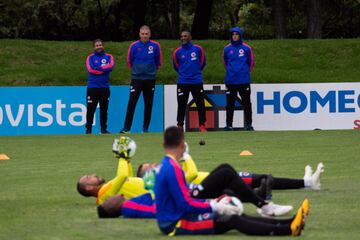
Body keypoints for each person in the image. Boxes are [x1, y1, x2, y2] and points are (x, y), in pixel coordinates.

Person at [153, 126, 308, 236]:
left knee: (236, 215)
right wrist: (214, 206)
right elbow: (184, 204)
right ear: (182, 145)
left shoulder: (167, 165)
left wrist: (214, 204)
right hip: (175, 224)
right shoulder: (172, 169)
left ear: (163, 145)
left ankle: (290, 223)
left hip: (177, 216)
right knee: (232, 219)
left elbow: (181, 200)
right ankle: (288, 229)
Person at [76, 137, 148, 204]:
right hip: (156, 193)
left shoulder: (107, 189)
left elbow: (127, 179)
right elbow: (122, 176)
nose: (94, 175)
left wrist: (126, 160)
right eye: (88, 177)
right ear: (89, 188)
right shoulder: (103, 195)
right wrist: (122, 157)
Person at [120, 25, 162, 133]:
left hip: (150, 79)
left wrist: (151, 71)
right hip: (136, 79)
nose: (144, 36)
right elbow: (129, 61)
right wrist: (136, 71)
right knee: (132, 103)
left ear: (149, 34)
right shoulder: (134, 46)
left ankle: (145, 128)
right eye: (142, 34)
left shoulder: (155, 46)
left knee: (148, 104)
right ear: (139, 34)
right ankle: (127, 128)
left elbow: (158, 61)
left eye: (146, 34)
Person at [173, 31, 207, 132]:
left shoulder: (198, 49)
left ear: (190, 37)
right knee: (181, 105)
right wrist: (184, 73)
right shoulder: (177, 52)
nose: (183, 38)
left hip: (196, 81)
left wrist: (195, 72)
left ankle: (202, 125)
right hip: (183, 82)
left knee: (200, 104)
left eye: (185, 36)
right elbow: (176, 66)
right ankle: (179, 125)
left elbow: (202, 62)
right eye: (182, 36)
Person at [223, 27, 254, 131]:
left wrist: (244, 73)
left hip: (244, 81)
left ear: (240, 35)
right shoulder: (227, 48)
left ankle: (249, 124)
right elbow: (225, 63)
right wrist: (232, 72)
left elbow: (251, 63)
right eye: (233, 34)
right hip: (231, 81)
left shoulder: (246, 48)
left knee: (247, 103)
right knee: (230, 104)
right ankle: (229, 125)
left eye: (237, 34)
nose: (234, 36)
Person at [85, 39, 115, 134]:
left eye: (100, 45)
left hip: (104, 88)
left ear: (103, 46)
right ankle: (88, 129)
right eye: (97, 45)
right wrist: (104, 69)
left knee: (104, 110)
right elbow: (91, 70)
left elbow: (111, 67)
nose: (99, 47)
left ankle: (103, 129)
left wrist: (98, 68)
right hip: (93, 87)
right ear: (94, 47)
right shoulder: (90, 58)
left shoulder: (109, 57)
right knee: (90, 109)